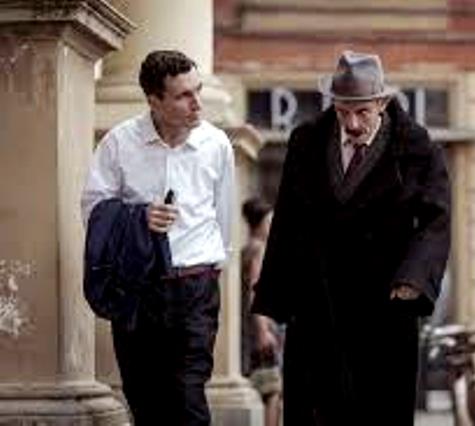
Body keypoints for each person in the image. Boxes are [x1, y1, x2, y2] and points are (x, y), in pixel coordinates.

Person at [252, 50, 451, 425]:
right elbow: (287, 220)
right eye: (343, 111)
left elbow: (435, 219)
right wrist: (276, 294)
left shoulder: (417, 148)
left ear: (382, 103)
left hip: (384, 307)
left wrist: (413, 279)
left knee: (377, 410)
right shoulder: (306, 141)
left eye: (363, 112)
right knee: (315, 410)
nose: (353, 123)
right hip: (317, 305)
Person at [81, 50, 235, 426]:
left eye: (198, 90)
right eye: (184, 95)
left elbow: (224, 217)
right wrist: (139, 217)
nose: (197, 103)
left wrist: (215, 268)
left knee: (188, 397)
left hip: (196, 287)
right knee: (145, 399)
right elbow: (93, 208)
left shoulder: (216, 144)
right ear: (154, 100)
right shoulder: (119, 143)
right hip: (139, 289)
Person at [240, 197, 283, 426]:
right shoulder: (258, 249)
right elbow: (255, 290)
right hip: (264, 325)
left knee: (270, 388)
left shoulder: (248, 248)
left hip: (258, 325)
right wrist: (263, 330)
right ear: (258, 224)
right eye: (269, 221)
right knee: (272, 390)